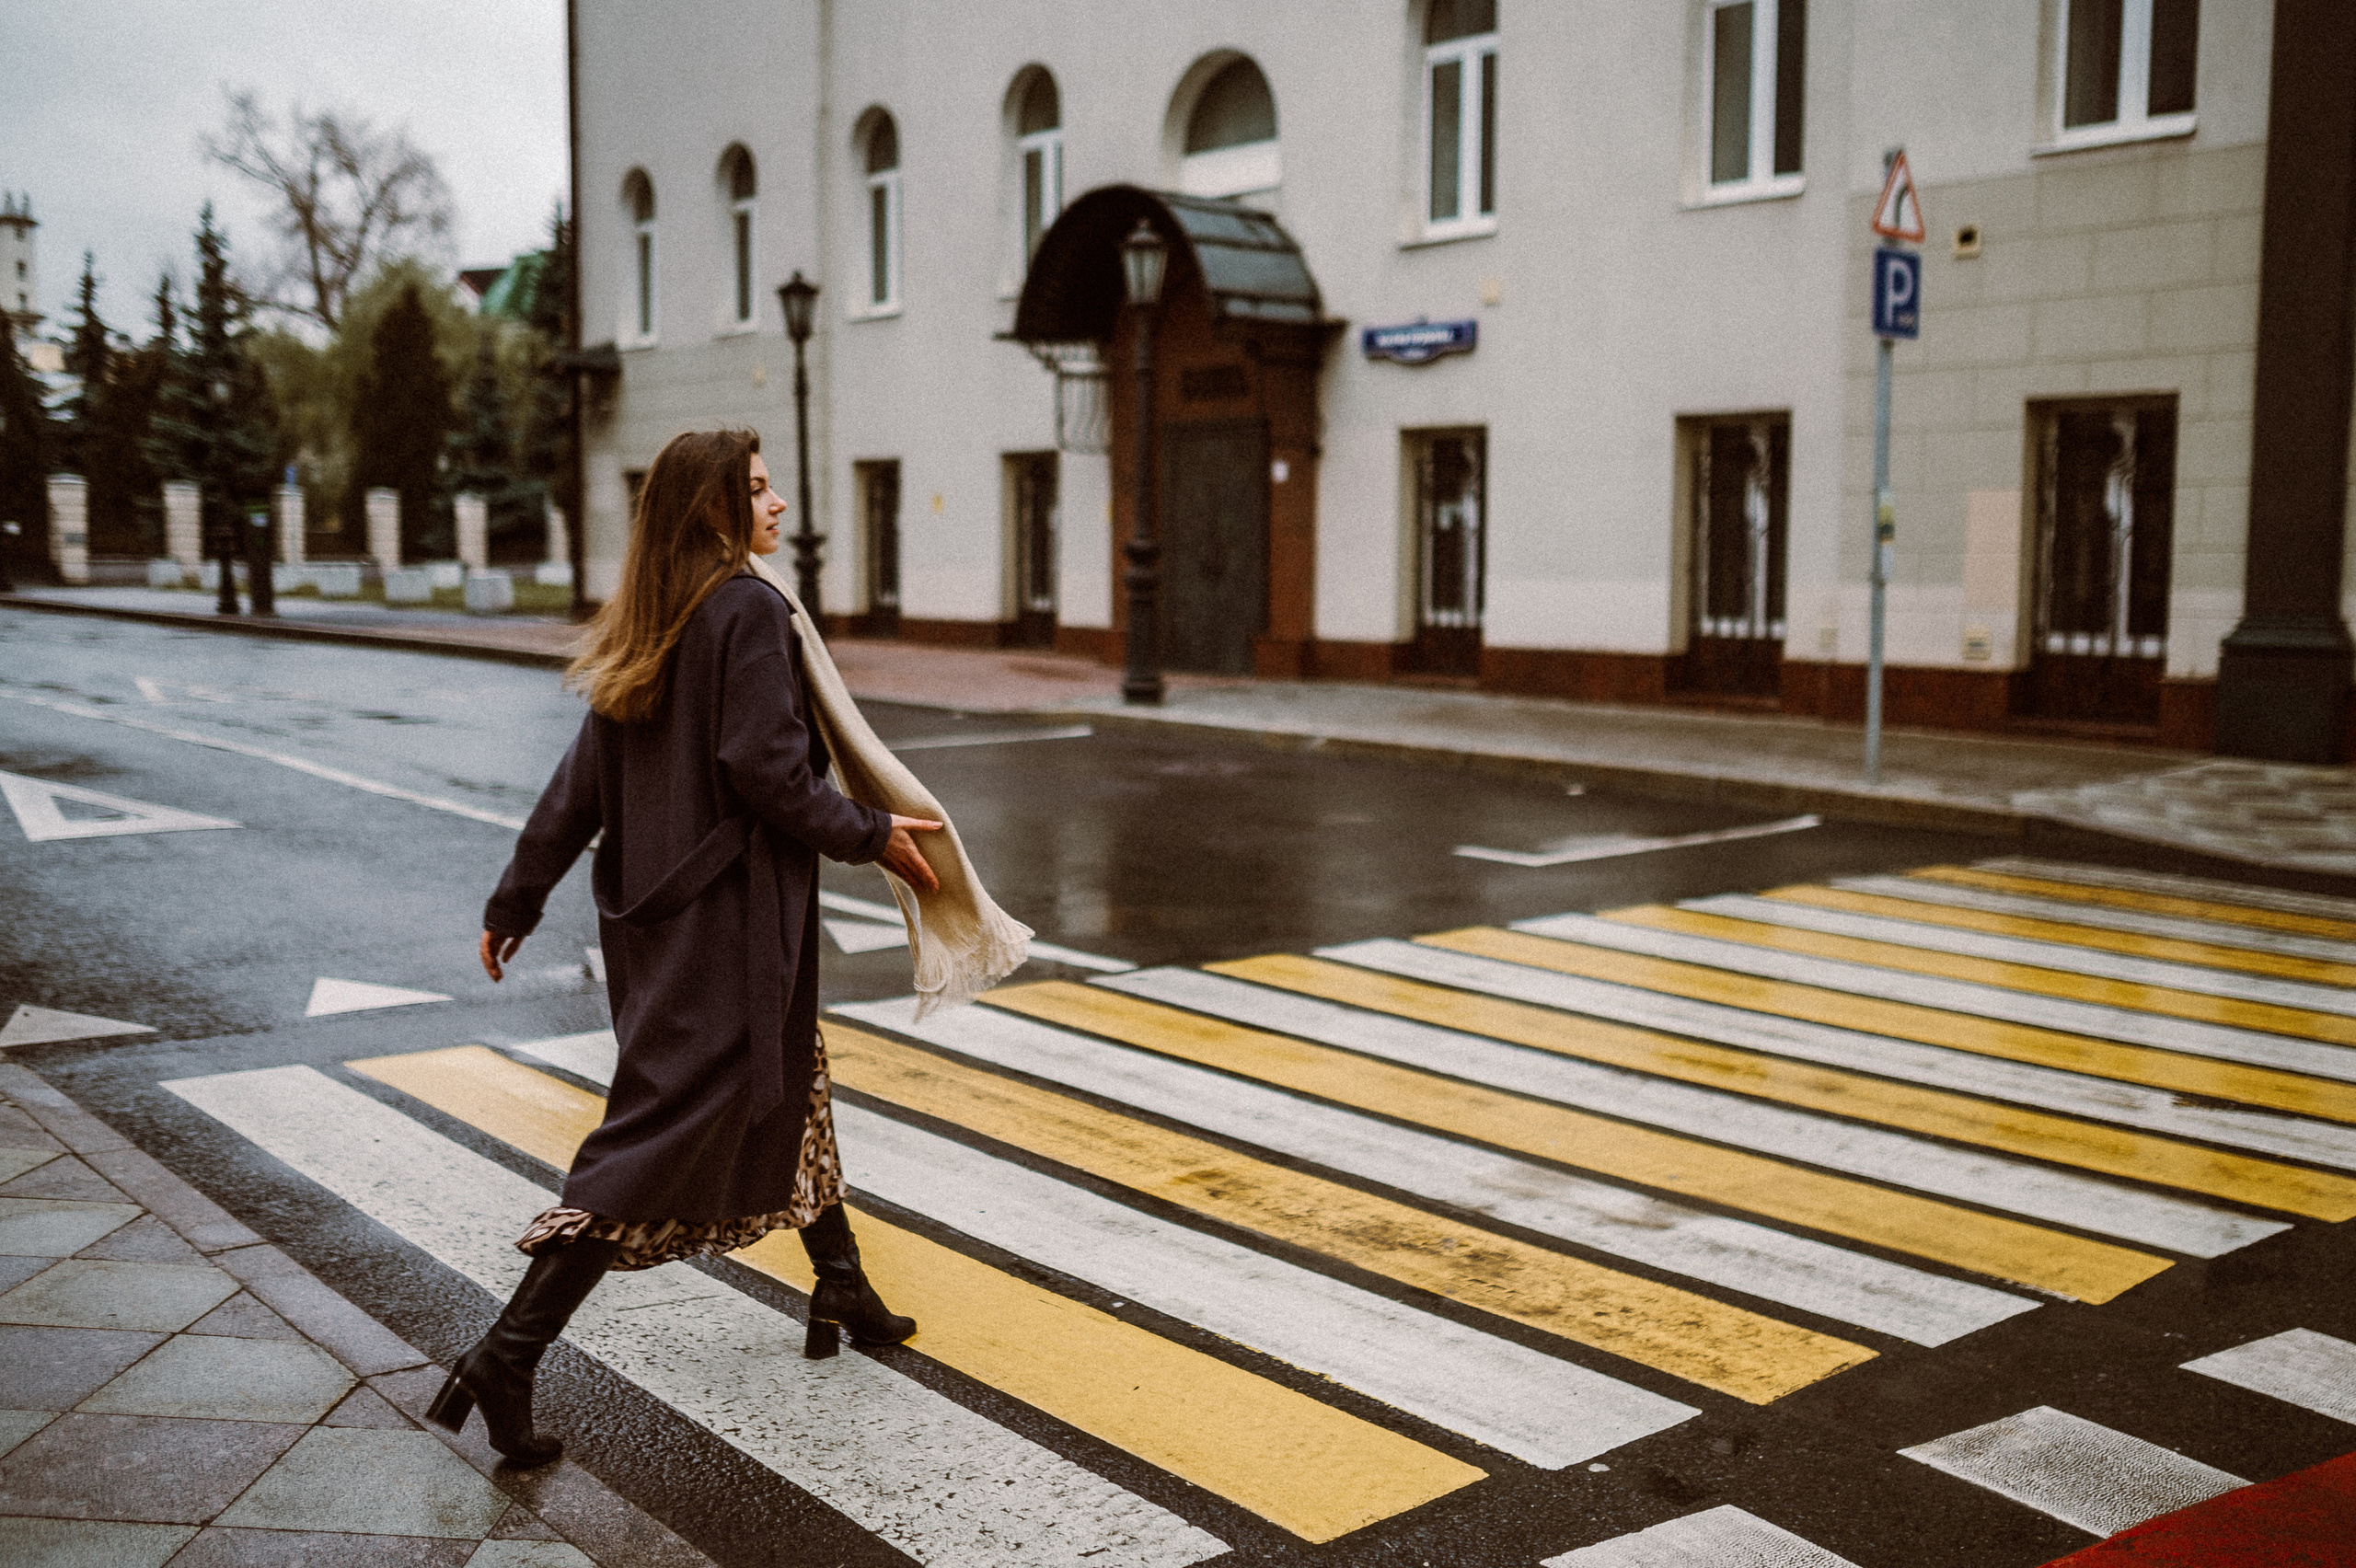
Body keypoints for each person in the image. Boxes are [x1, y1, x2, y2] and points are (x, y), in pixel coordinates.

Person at [432, 427, 943, 1467]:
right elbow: (767, 769)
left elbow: (582, 779)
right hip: (730, 926)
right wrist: (869, 833)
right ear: (712, 508)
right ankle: (507, 1354)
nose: (777, 505)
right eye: (756, 491)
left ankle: (839, 1281)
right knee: (655, 1141)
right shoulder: (747, 610)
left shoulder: (660, 615)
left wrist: (517, 896)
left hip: (665, 923)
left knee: (792, 1079)